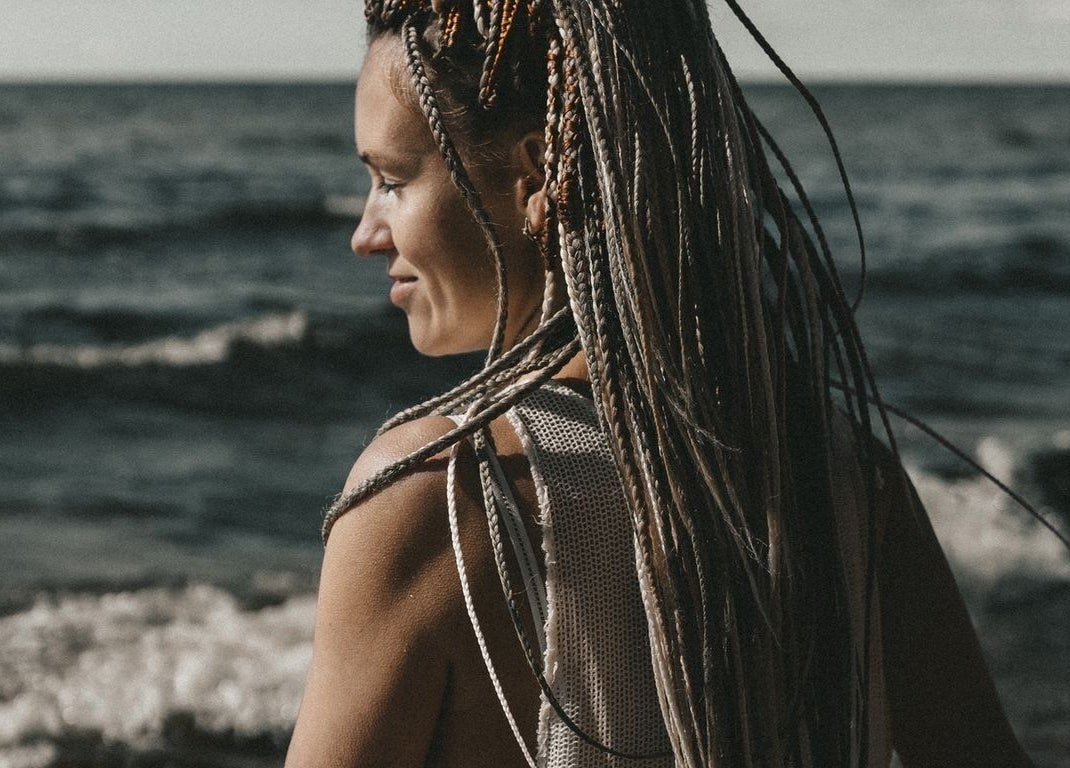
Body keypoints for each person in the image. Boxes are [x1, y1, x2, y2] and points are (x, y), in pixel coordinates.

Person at [285, 1, 1033, 766]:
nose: (366, 233)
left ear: (537, 174)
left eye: (392, 180)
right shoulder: (843, 476)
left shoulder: (439, 494)